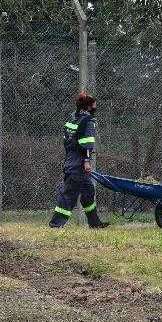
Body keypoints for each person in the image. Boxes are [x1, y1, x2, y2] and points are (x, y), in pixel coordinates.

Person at [49, 92, 110, 229]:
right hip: (79, 163)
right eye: (94, 106)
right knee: (69, 194)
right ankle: (55, 224)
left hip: (71, 158)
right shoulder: (88, 121)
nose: (95, 108)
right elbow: (87, 143)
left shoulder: (73, 117)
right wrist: (86, 161)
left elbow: (67, 140)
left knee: (88, 191)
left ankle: (95, 223)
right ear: (88, 107)